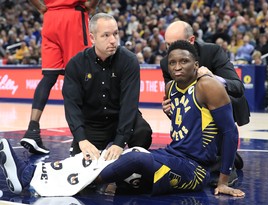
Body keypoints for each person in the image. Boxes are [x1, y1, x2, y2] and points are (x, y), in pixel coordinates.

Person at [0, 40, 245, 197]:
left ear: (197, 64)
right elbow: (190, 128)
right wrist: (173, 114)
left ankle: (41, 180)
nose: (177, 66)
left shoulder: (208, 85)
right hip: (173, 154)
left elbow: (230, 133)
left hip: (195, 170)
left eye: (184, 61)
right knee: (118, 153)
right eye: (172, 62)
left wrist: (222, 181)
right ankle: (32, 172)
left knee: (135, 157)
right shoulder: (171, 88)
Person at [160, 21, 248, 185]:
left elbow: (238, 87)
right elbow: (174, 97)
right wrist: (169, 108)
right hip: (194, 109)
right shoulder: (166, 62)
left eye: (176, 44)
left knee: (212, 109)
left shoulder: (212, 51)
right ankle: (223, 155)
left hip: (224, 106)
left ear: (191, 40)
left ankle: (226, 163)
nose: (172, 51)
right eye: (168, 46)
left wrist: (213, 78)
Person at [62, 13, 152, 161]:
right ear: (92, 38)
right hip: (93, 123)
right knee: (80, 163)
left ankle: (131, 171)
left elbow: (129, 105)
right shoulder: (76, 64)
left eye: (115, 34)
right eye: (106, 35)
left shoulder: (129, 61)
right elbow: (72, 106)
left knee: (142, 132)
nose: (113, 40)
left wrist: (120, 142)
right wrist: (81, 139)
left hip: (120, 119)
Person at [20, 0, 100, 155]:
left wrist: (42, 7)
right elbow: (90, 4)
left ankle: (32, 130)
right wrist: (91, 5)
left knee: (49, 77)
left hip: (50, 18)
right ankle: (79, 139)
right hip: (73, 18)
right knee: (79, 76)